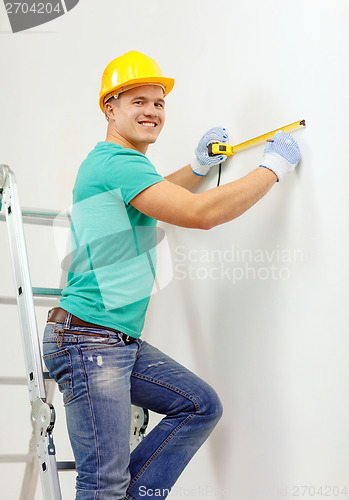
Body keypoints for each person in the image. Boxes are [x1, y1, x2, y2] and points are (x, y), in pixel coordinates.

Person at [42, 51, 301, 500]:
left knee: (199, 406)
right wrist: (271, 169)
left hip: (113, 338)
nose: (151, 111)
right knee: (103, 482)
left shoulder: (120, 166)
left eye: (158, 103)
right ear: (111, 108)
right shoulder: (117, 163)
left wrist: (198, 169)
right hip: (91, 341)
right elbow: (200, 215)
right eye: (138, 101)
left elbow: (156, 194)